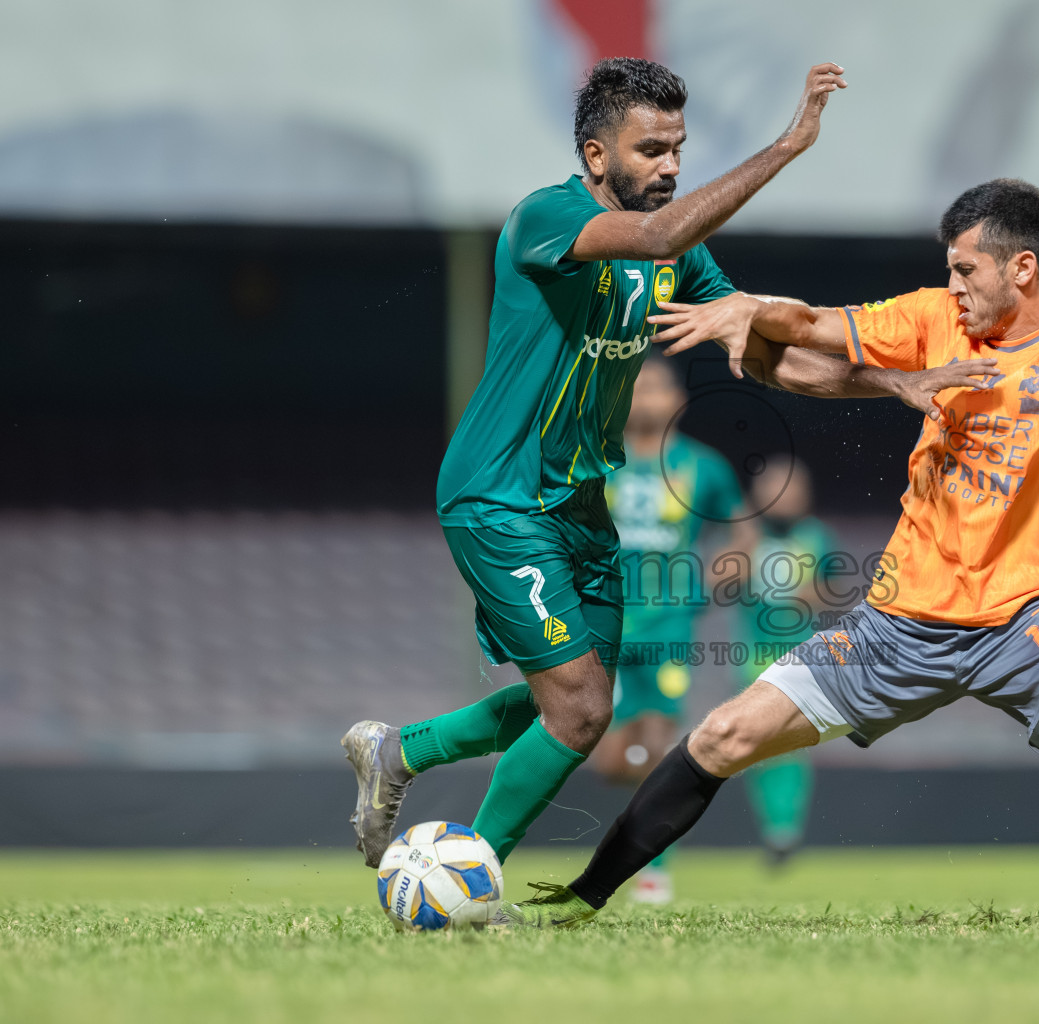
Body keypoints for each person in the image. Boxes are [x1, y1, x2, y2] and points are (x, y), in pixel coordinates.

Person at [497, 178, 1039, 929]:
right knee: (723, 734)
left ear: (1020, 270)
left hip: (1027, 618)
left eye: (964, 270)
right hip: (895, 625)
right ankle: (584, 897)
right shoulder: (936, 321)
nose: (952, 286)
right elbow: (821, 327)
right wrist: (747, 307)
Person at [339, 56, 998, 869]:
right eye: (652, 150)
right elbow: (657, 232)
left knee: (581, 707)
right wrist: (789, 144)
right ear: (595, 156)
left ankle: (398, 752)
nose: (672, 165)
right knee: (580, 710)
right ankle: (470, 873)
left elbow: (768, 357)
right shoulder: (548, 217)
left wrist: (901, 384)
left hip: (580, 507)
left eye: (678, 147)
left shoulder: (677, 263)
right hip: (498, 497)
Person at [595, 357, 744, 904]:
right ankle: (638, 785)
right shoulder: (595, 461)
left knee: (662, 741)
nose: (648, 397)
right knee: (612, 760)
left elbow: (741, 533)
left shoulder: (703, 467)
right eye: (637, 387)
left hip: (668, 626)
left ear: (676, 398)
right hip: (603, 624)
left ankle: (654, 869)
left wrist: (705, 590)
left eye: (657, 386)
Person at [735, 456, 833, 865]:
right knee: (756, 745)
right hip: (753, 655)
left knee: (788, 744)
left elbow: (831, 592)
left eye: (791, 488)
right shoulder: (744, 533)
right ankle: (777, 826)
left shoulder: (817, 535)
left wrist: (803, 592)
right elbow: (717, 584)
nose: (783, 496)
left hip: (799, 655)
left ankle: (783, 825)